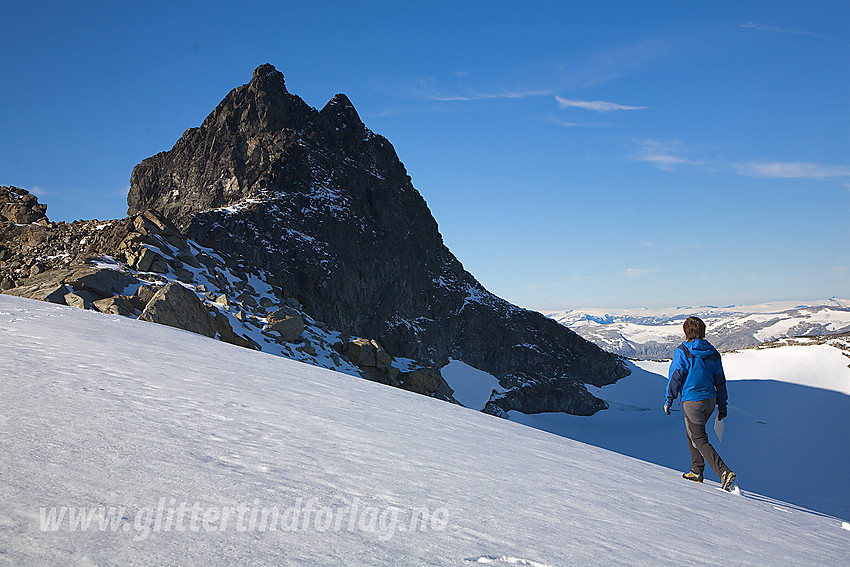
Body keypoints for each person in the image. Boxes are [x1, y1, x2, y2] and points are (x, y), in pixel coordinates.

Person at [664, 316, 736, 491]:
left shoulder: (683, 351)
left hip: (692, 401)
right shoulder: (713, 352)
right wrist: (722, 405)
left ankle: (724, 472)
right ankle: (696, 471)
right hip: (710, 401)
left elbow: (676, 377)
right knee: (692, 434)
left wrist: (669, 399)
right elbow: (720, 381)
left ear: (686, 331)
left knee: (698, 438)